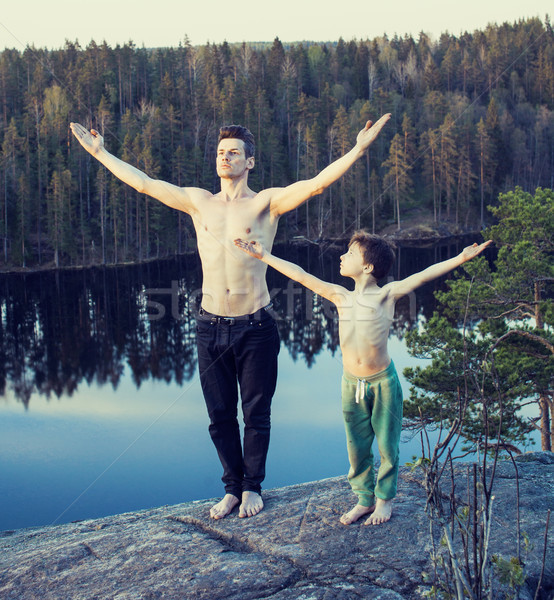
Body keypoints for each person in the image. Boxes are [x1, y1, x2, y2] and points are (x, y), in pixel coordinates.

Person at [69, 115, 390, 520]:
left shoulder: (265, 203)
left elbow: (316, 184)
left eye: (233, 153)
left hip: (255, 326)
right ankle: (232, 488)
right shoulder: (198, 201)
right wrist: (102, 154)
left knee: (256, 413)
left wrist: (358, 149)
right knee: (219, 416)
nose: (225, 158)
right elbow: (145, 184)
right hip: (209, 325)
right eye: (221, 152)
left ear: (249, 162)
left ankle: (253, 486)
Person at [234, 232, 492, 525]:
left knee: (386, 446)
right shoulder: (340, 296)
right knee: (356, 447)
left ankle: (384, 500)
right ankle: (364, 499)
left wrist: (461, 257)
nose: (342, 257)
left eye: (350, 254)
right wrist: (262, 256)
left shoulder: (386, 294)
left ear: (368, 267)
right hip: (351, 384)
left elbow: (422, 276)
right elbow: (302, 275)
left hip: (382, 383)